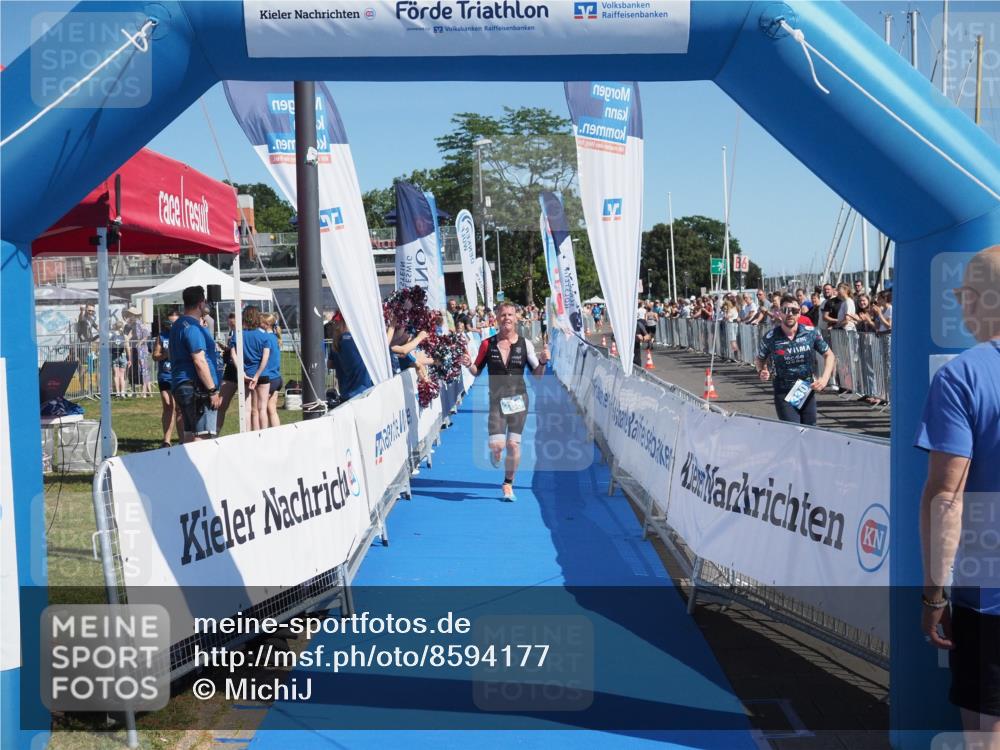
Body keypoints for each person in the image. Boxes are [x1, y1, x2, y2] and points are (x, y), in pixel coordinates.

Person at [917, 245, 1000, 747]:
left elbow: (946, 498)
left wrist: (933, 594)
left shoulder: (963, 376)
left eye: (964, 297)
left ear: (978, 299)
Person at [461, 302, 549, 502]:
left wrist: (543, 362)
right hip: (496, 401)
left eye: (510, 314)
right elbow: (476, 371)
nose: (507, 318)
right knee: (498, 445)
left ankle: (508, 483)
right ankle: (496, 452)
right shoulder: (487, 344)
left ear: (516, 318)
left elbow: (537, 376)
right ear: (497, 319)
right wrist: (468, 365)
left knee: (513, 444)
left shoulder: (525, 344)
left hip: (519, 400)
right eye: (503, 315)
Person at [754, 294, 836, 426]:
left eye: (794, 311)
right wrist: (761, 371)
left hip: (805, 388)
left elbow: (829, 355)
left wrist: (825, 378)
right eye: (786, 310)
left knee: (810, 431)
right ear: (779, 313)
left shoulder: (810, 333)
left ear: (799, 314)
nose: (790, 314)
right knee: (794, 430)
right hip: (783, 390)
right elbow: (759, 359)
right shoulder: (770, 337)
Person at [169, 286, 222, 442]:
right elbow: (199, 360)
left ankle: (184, 465)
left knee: (189, 432)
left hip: (183, 383)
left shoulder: (178, 325)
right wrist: (212, 390)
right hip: (197, 387)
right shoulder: (192, 328)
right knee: (202, 435)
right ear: (201, 304)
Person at [152, 308, 182, 447]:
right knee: (168, 405)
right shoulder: (162, 336)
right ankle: (167, 440)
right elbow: (155, 356)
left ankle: (183, 439)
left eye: (175, 323)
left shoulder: (183, 334)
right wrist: (165, 354)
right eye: (169, 323)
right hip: (165, 375)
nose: (172, 326)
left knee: (180, 407)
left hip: (180, 375)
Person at [328, 312, 373, 401]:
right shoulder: (351, 339)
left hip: (345, 393)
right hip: (360, 392)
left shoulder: (337, 342)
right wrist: (392, 327)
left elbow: (329, 364)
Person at [240, 306, 271, 431]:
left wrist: (241, 372)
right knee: (262, 408)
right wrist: (257, 375)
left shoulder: (239, 335)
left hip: (246, 375)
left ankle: (247, 435)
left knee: (247, 410)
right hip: (262, 374)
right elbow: (265, 357)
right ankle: (264, 435)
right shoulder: (264, 336)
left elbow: (233, 354)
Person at [259, 313, 283, 428]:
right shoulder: (275, 337)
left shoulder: (266, 338)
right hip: (277, 377)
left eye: (260, 322)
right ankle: (277, 434)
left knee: (261, 409)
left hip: (269, 378)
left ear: (266, 324)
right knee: (272, 410)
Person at [110, 321, 129, 397]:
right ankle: (122, 392)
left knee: (116, 375)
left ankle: (117, 392)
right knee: (122, 375)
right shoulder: (124, 336)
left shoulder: (112, 335)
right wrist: (129, 358)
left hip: (114, 356)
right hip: (122, 356)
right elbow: (127, 347)